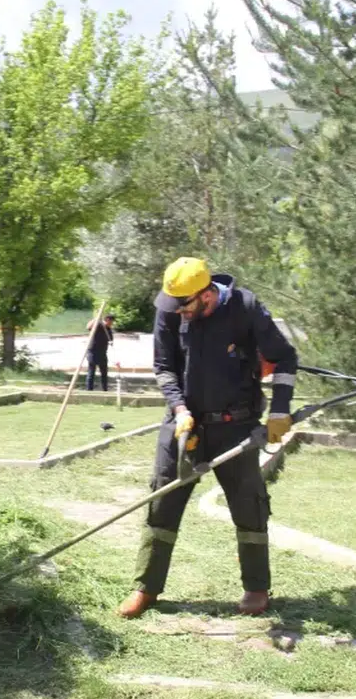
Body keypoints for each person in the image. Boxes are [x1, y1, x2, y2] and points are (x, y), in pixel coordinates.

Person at [117, 256, 297, 619]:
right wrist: (180, 410)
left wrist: (279, 410)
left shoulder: (244, 307)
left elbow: (285, 357)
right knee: (162, 500)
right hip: (182, 423)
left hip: (236, 425)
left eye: (184, 305)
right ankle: (147, 587)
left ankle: (256, 587)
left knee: (249, 504)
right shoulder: (171, 308)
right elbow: (164, 366)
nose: (177, 312)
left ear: (206, 295)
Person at [85, 313, 116, 391]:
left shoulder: (108, 329)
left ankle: (105, 389)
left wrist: (111, 342)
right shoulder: (98, 325)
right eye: (111, 321)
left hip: (102, 353)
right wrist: (96, 318)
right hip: (92, 352)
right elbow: (88, 327)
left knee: (104, 373)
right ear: (107, 320)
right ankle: (89, 390)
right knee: (91, 372)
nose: (112, 323)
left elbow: (110, 340)